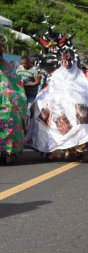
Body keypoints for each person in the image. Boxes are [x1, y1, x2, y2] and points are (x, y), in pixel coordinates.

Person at [26, 25, 88, 160]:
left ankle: (77, 149)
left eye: (67, 61)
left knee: (82, 116)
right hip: (58, 108)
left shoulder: (79, 75)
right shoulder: (57, 75)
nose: (65, 63)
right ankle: (53, 147)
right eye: (62, 61)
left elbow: (86, 89)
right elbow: (51, 89)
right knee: (42, 111)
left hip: (75, 109)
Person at [0, 34, 27, 164]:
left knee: (11, 116)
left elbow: (16, 85)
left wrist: (10, 93)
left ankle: (6, 152)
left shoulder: (7, 67)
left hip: (6, 100)